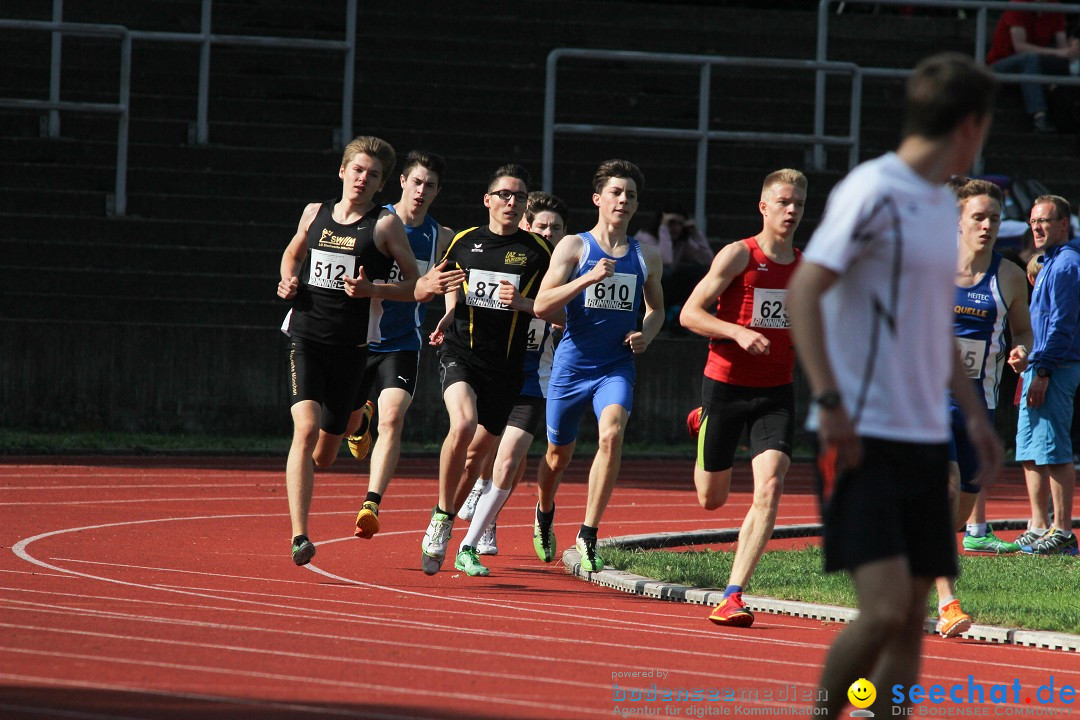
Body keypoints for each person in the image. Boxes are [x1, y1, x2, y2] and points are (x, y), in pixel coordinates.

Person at [786, 53, 1001, 716]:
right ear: (971, 125)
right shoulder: (871, 190)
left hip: (923, 435)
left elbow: (933, 326)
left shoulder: (941, 206)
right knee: (881, 613)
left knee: (912, 617)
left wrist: (973, 416)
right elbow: (803, 291)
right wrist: (829, 399)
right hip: (859, 434)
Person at [276, 136, 456, 566]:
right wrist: (287, 280)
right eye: (357, 170)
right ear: (342, 171)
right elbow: (293, 253)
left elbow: (417, 284)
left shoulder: (387, 226)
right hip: (305, 336)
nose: (363, 179)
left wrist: (373, 289)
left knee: (326, 453)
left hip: (360, 343)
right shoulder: (314, 213)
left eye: (372, 174)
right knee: (304, 430)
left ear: (381, 184)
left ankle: (362, 433)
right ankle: (300, 536)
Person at [678, 169, 808, 629]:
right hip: (726, 386)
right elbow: (689, 313)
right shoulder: (739, 255)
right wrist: (737, 331)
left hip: (776, 393)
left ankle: (732, 595)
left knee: (770, 482)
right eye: (784, 202)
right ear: (764, 207)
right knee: (711, 500)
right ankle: (702, 422)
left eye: (799, 204)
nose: (792, 210)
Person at [419, 164, 556, 576]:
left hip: (508, 367)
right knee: (462, 425)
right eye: (504, 195)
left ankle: (446, 514)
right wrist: (441, 305)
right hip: (462, 353)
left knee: (477, 456)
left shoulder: (538, 252)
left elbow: (557, 306)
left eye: (518, 196)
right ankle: (443, 518)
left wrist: (526, 304)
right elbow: (434, 283)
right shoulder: (464, 241)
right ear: (488, 200)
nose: (511, 202)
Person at [532, 159, 664, 573]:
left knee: (612, 434)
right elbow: (541, 304)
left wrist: (647, 332)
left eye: (630, 195)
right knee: (557, 455)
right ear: (598, 199)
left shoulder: (646, 256)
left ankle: (588, 534)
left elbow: (657, 309)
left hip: (615, 367)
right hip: (571, 367)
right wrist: (586, 280)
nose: (623, 200)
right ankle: (544, 510)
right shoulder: (574, 246)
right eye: (616, 193)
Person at [932, 177, 1033, 639]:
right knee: (947, 487)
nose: (988, 225)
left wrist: (1021, 352)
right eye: (979, 217)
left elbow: (1023, 332)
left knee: (958, 511)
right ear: (958, 221)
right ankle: (948, 603)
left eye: (994, 218)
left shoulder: (1008, 275)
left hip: (978, 408)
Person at [453, 192, 570, 574]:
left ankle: (480, 532)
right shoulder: (510, 258)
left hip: (536, 377)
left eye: (556, 228)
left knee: (511, 459)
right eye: (542, 226)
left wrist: (538, 308)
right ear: (526, 227)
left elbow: (572, 320)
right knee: (482, 451)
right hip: (497, 368)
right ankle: (474, 501)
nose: (549, 233)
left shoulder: (565, 268)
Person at [1012, 194, 1080, 556]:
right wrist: (1027, 355)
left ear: (1064, 225)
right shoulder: (1049, 261)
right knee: (1029, 447)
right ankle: (1039, 525)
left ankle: (1063, 530)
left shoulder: (1067, 264)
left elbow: (1063, 324)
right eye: (1033, 221)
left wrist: (1043, 369)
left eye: (1045, 221)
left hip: (1057, 367)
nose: (1036, 227)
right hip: (1039, 365)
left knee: (1053, 448)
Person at [985, 0, 1080, 133]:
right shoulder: (1018, 5)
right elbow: (1020, 47)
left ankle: (1065, 114)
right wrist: (1059, 52)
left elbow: (1062, 47)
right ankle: (1039, 115)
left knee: (1068, 65)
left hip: (1035, 62)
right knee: (1030, 58)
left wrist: (1073, 51)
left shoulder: (1056, 8)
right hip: (1001, 63)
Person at [635, 205, 713, 331]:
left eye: (680, 224)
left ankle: (678, 316)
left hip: (666, 291)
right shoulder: (644, 237)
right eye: (672, 223)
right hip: (643, 292)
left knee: (700, 272)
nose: (676, 228)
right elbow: (664, 260)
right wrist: (664, 228)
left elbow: (708, 261)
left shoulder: (680, 241)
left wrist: (696, 233)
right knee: (665, 273)